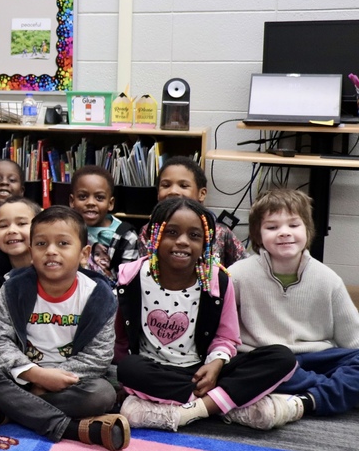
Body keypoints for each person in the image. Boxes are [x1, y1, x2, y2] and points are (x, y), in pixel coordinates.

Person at [116, 197, 302, 432]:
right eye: (172, 232)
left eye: (194, 236)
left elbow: (227, 337)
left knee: (282, 358)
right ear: (154, 235)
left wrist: (215, 364)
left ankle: (192, 411)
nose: (182, 242)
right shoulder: (131, 278)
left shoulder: (217, 280)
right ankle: (227, 404)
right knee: (128, 369)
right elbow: (121, 337)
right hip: (155, 371)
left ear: (206, 243)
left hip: (203, 371)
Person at [0, 206, 129, 450]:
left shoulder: (99, 296)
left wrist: (53, 380)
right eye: (42, 244)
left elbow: (98, 357)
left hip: (71, 380)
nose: (51, 251)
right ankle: (69, 428)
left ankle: (7, 411)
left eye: (63, 244)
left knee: (102, 395)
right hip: (24, 375)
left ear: (84, 253)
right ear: (32, 252)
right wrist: (36, 375)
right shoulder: (14, 288)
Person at [230, 189, 359, 416]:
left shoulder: (328, 279)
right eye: (272, 227)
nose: (284, 233)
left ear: (307, 230)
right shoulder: (238, 275)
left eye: (293, 225)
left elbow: (353, 341)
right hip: (264, 359)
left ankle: (304, 401)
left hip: (314, 358)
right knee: (240, 370)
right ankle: (330, 393)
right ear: (258, 236)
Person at [137, 156, 246, 267]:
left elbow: (244, 267)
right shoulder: (149, 232)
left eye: (183, 186)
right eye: (166, 185)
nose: (173, 191)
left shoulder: (221, 232)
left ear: (202, 194)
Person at [68, 165, 139, 283]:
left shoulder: (127, 237)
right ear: (72, 201)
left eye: (99, 198)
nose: (90, 202)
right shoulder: (66, 230)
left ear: (110, 203)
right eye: (82, 196)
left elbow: (128, 281)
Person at [0, 196, 40, 319]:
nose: (11, 230)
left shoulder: (48, 259)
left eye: (21, 223)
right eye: (3, 226)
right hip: (7, 325)